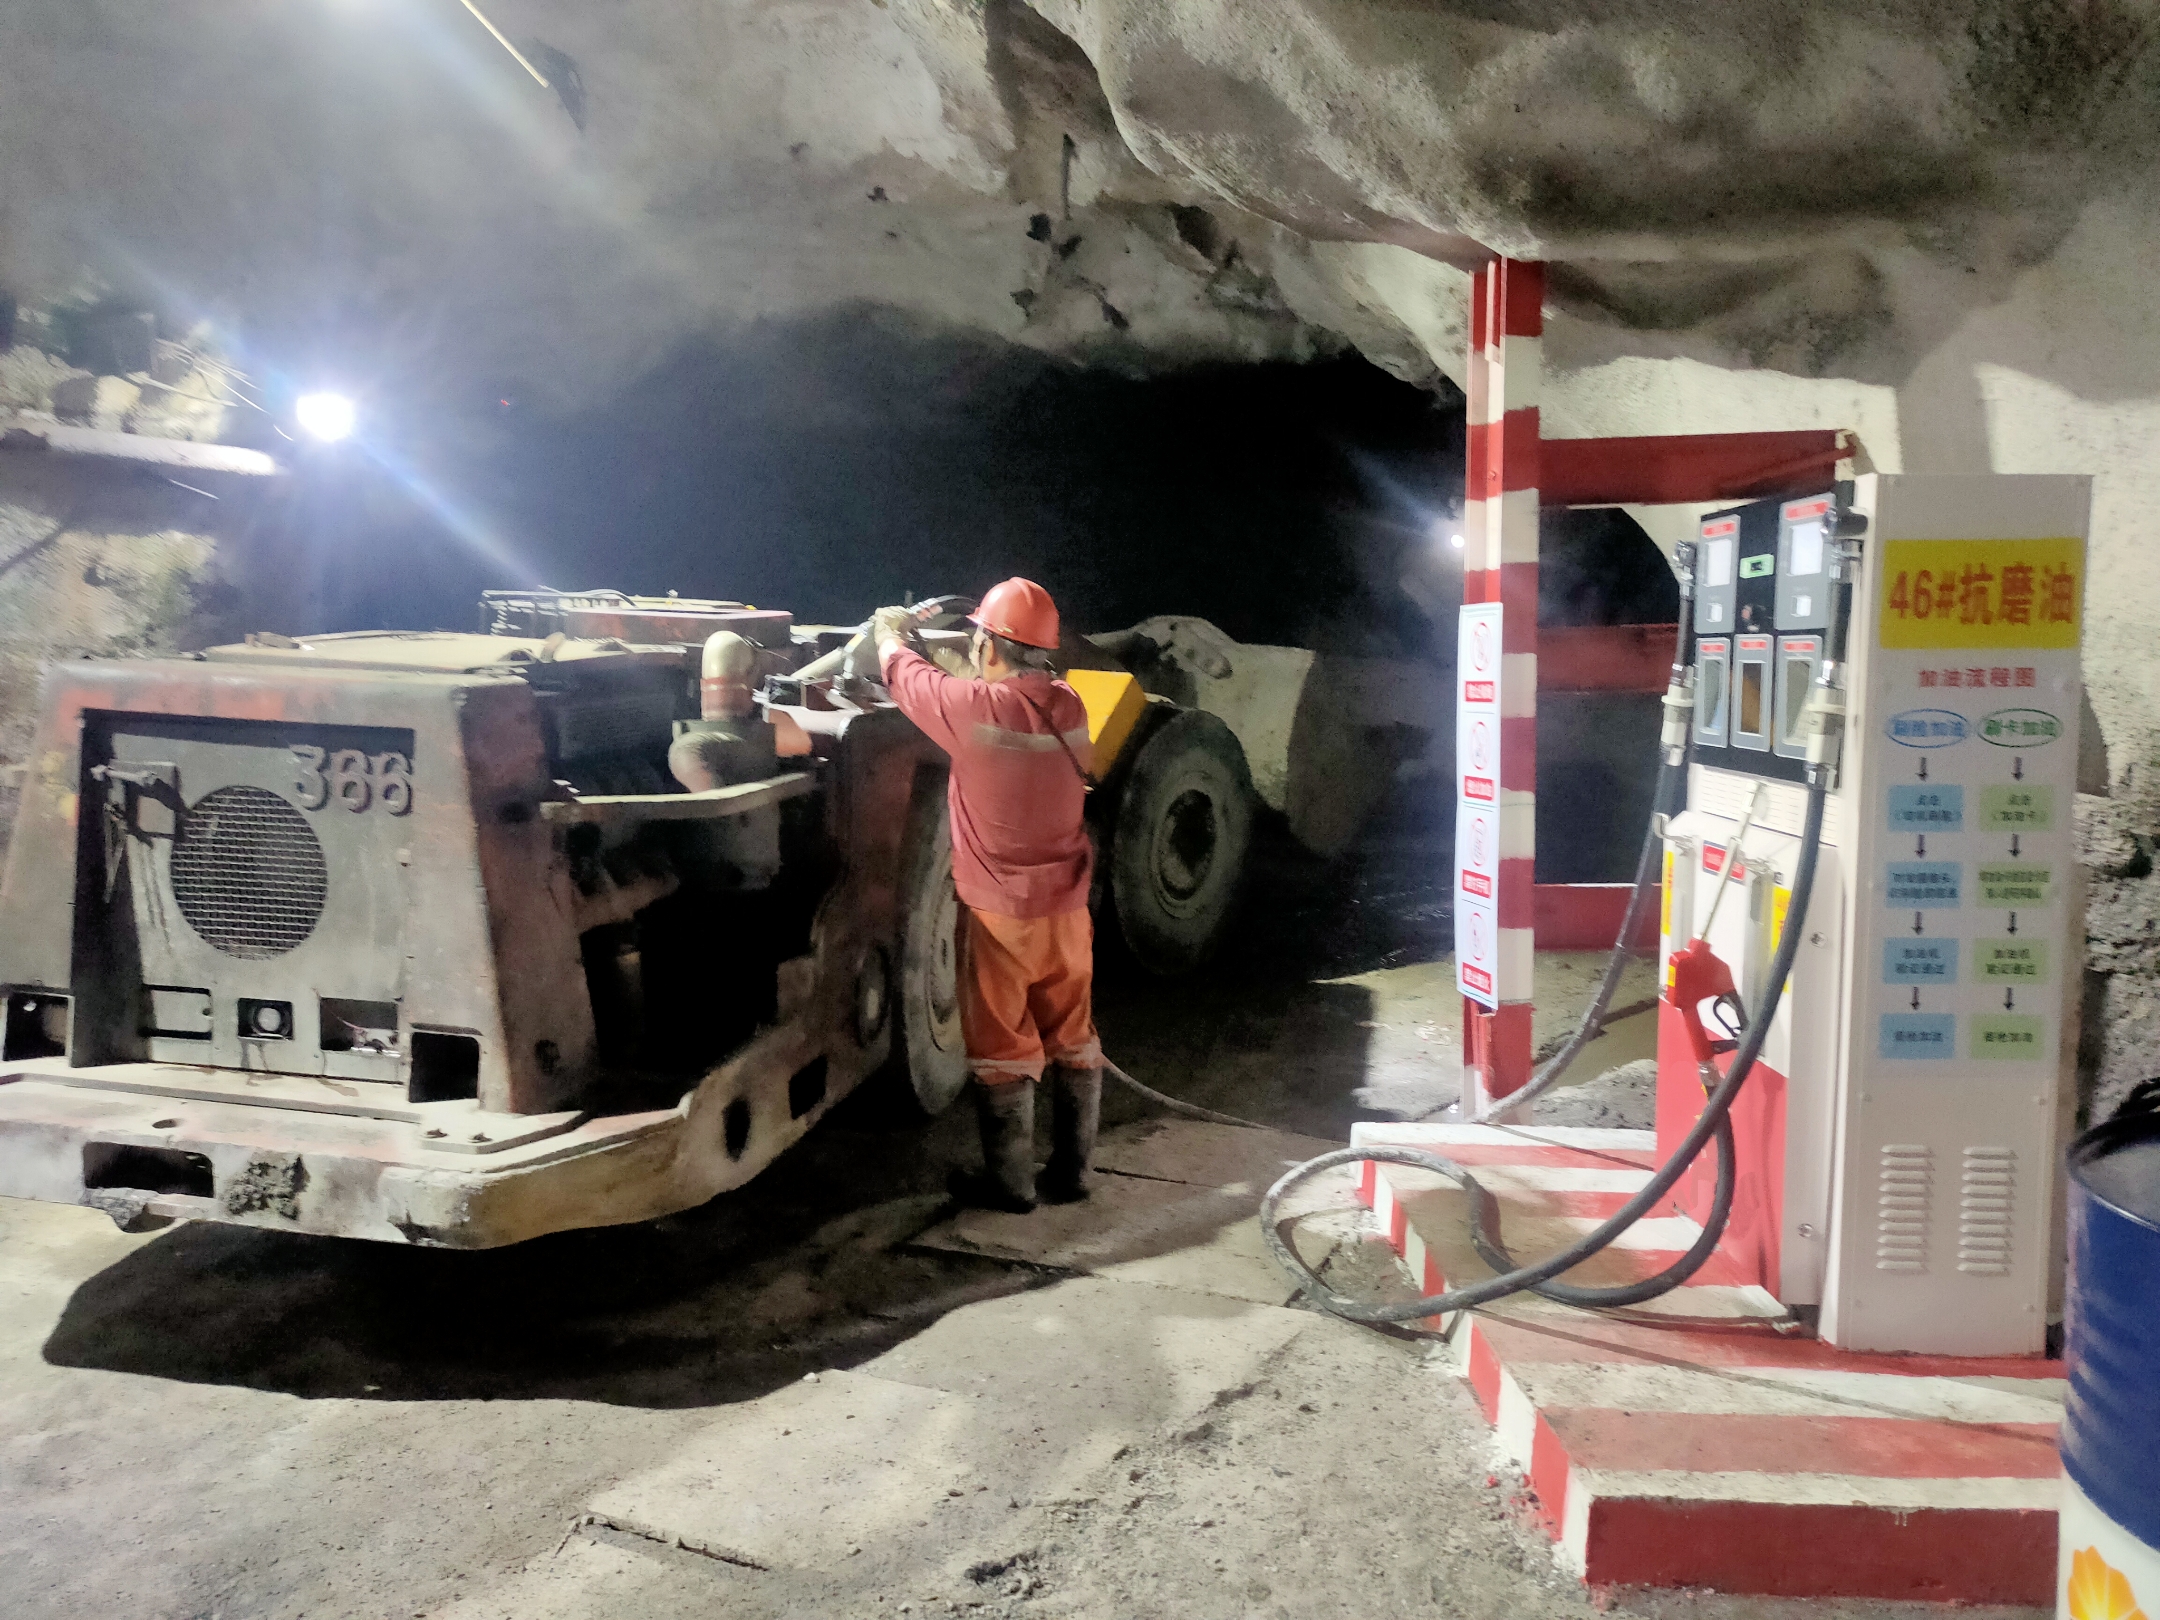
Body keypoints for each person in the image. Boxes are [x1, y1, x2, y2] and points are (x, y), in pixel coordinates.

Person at [870, 579, 1099, 1212]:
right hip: (1067, 911)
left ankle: (1012, 1185)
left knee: (1002, 1050)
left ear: (990, 647)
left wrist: (891, 635)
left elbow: (907, 678)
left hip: (1002, 918)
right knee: (1073, 1037)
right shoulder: (1071, 705)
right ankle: (1073, 1173)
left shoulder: (974, 710)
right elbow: (1005, 699)